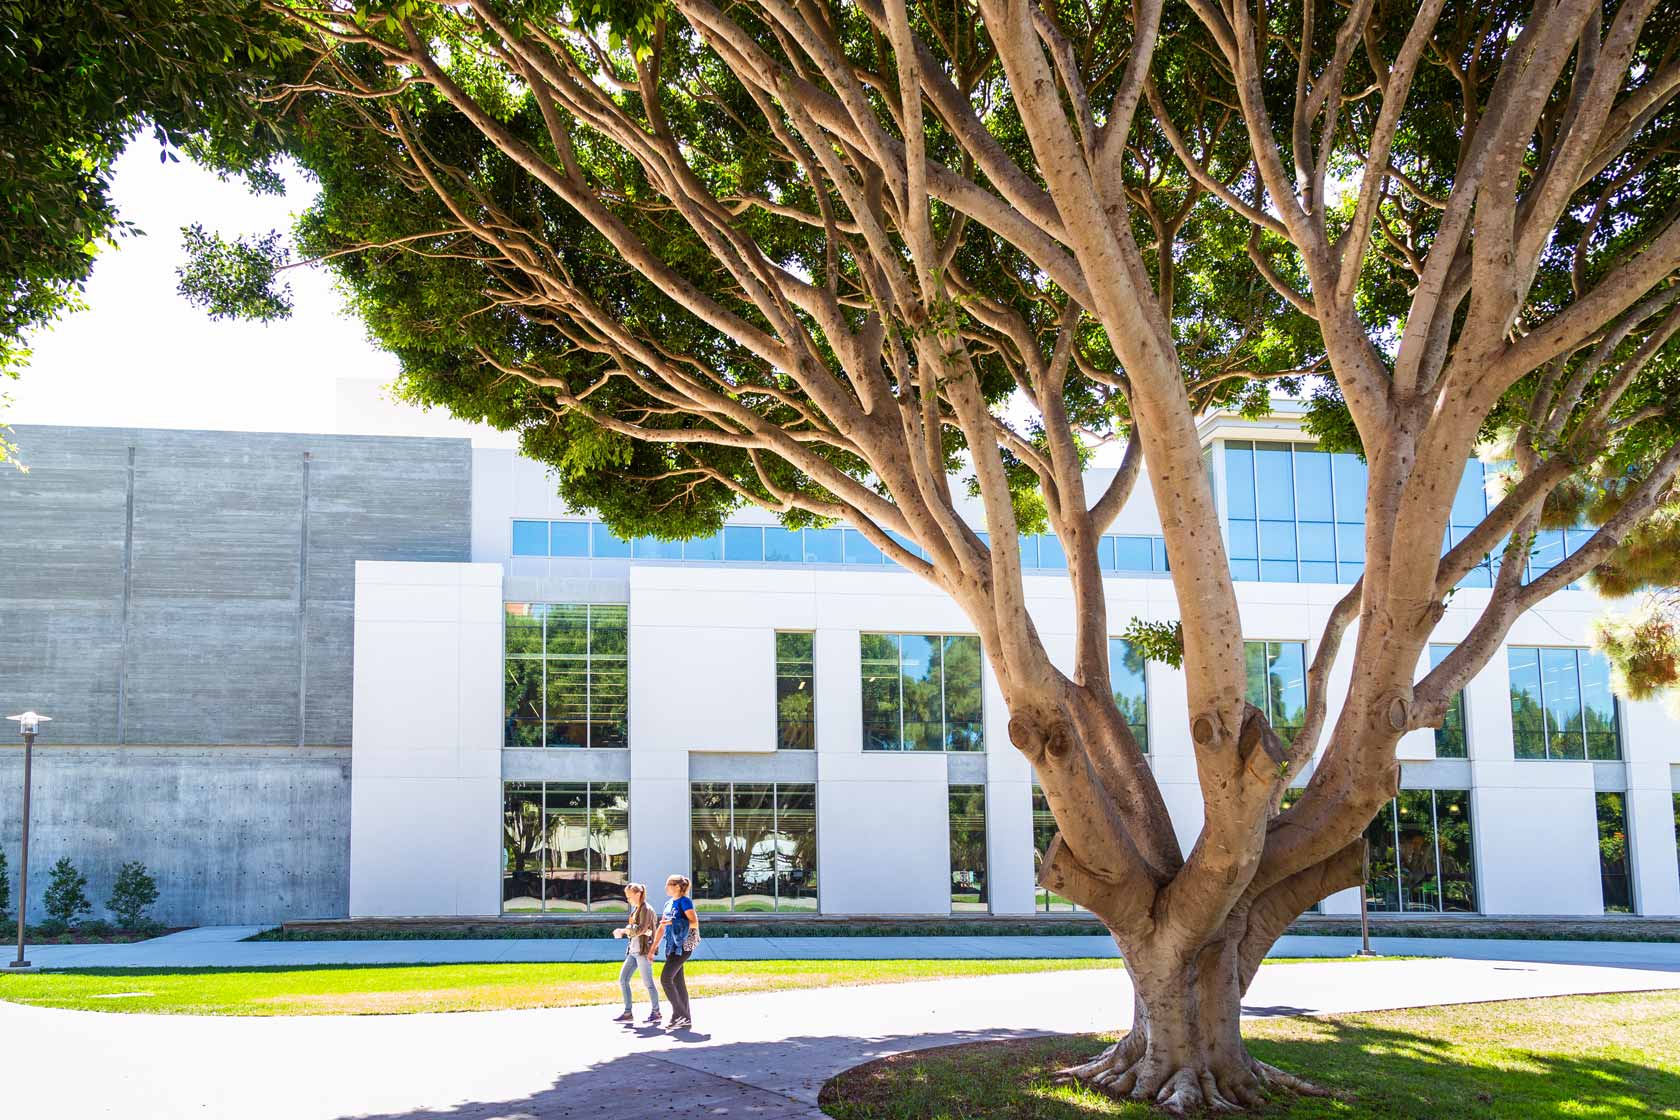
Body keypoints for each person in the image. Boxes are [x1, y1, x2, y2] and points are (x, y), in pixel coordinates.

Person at [653, 873, 699, 1029]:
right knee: (678, 982)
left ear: (678, 887)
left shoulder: (685, 901)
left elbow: (693, 923)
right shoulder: (668, 904)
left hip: (683, 947)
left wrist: (674, 921)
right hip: (671, 946)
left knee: (666, 979)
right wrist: (653, 947)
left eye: (668, 884)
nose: (665, 887)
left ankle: (680, 1015)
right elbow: (661, 926)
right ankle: (685, 1018)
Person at [611, 883, 660, 1024]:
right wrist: (625, 931)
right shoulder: (637, 909)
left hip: (642, 952)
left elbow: (642, 929)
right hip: (633, 951)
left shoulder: (646, 909)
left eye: (629, 896)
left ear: (638, 894)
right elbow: (635, 929)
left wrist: (624, 930)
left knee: (648, 983)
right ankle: (628, 1013)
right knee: (623, 980)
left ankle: (656, 1012)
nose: (628, 899)